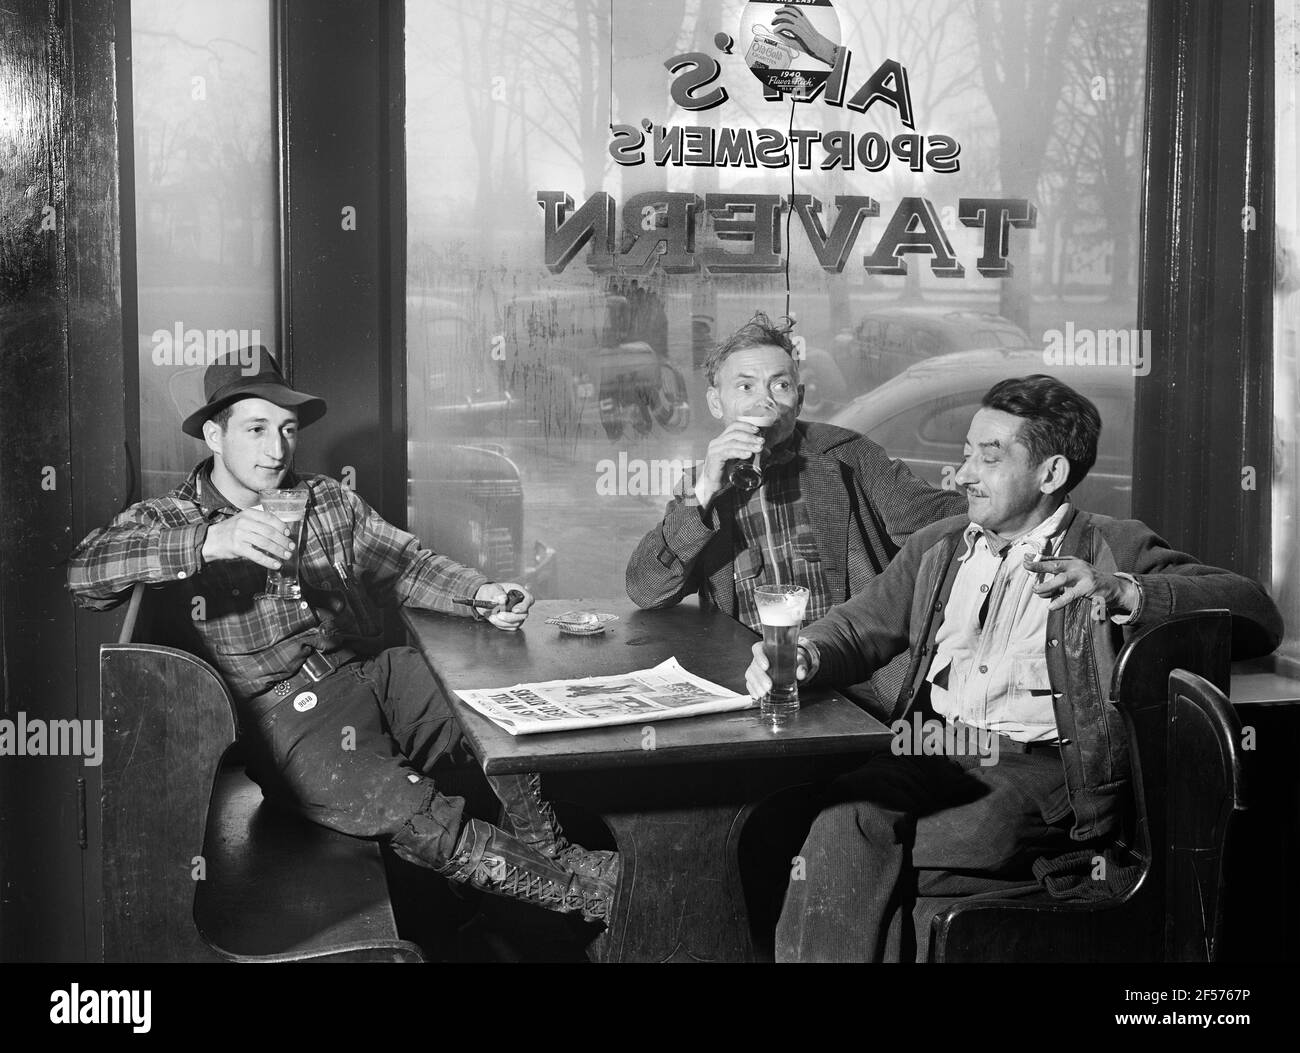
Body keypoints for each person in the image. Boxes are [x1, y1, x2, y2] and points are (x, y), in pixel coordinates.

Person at [744, 374, 1284, 961]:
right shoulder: (942, 544)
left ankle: (1059, 862)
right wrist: (805, 653)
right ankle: (1041, 876)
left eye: (990, 457)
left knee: (855, 835)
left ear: (1050, 474)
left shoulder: (1112, 545)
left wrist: (1123, 590)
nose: (963, 474)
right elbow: (855, 627)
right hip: (932, 750)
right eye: (966, 453)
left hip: (1042, 771)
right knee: (829, 826)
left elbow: (1255, 613)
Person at [68, 347, 617, 925]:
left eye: (286, 429)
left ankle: (560, 859)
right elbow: (85, 574)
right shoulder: (170, 518)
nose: (276, 449)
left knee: (503, 708)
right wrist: (211, 542)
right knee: (419, 816)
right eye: (255, 429)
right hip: (286, 721)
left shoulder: (325, 498)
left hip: (367, 677)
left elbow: (405, 564)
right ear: (213, 434)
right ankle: (603, 900)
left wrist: (479, 595)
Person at [626, 311, 966, 715]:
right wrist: (702, 494)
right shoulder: (702, 484)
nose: (763, 402)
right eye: (745, 386)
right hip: (756, 681)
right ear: (717, 404)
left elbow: (955, 520)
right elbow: (646, 589)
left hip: (858, 685)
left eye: (780, 385)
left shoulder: (848, 456)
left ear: (799, 399)